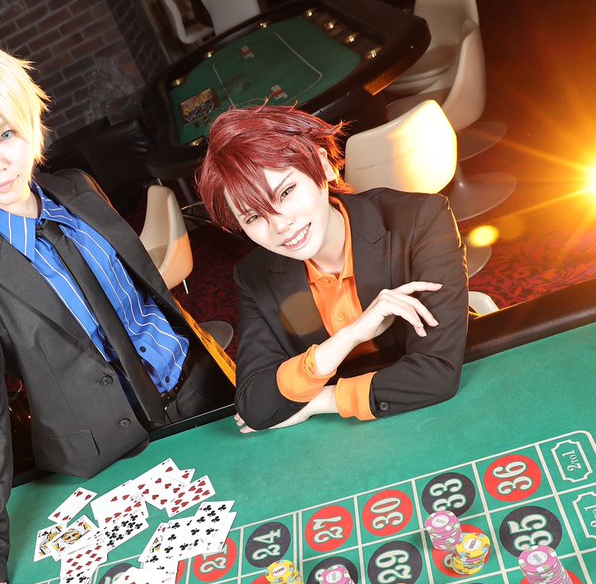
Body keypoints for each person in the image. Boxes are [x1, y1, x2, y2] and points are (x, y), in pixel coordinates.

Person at [0, 43, 235, 584]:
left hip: (199, 387)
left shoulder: (78, 188)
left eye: (6, 134)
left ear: (31, 124)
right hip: (112, 453)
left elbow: (147, 292)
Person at [196, 105, 468, 433]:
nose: (280, 227)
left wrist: (320, 401)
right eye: (253, 217)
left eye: (286, 192)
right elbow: (255, 406)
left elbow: (437, 373)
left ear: (322, 166)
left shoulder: (422, 219)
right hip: (358, 438)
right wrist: (350, 336)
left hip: (450, 408)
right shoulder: (255, 274)